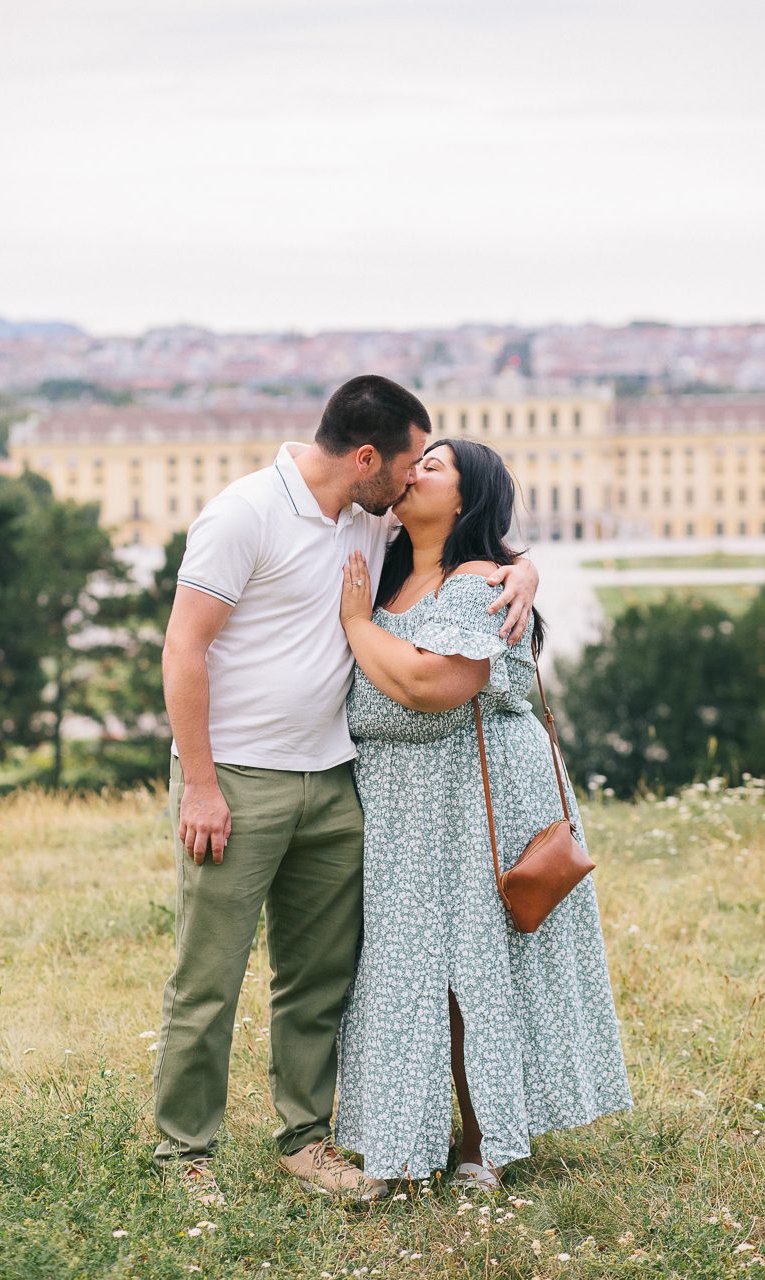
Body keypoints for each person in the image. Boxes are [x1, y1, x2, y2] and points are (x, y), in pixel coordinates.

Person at [152, 377, 540, 1203]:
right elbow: (183, 650)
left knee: (318, 982)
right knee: (208, 979)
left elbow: (467, 542)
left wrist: (524, 569)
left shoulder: (366, 516)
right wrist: (199, 785)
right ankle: (184, 1155)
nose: (407, 485)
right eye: (404, 466)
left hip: (335, 781)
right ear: (366, 458)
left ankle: (304, 1140)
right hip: (238, 781)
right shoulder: (243, 513)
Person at [334, 438, 632, 1186]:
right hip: (404, 799)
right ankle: (406, 1139)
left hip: (473, 794)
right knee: (402, 972)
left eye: (432, 468)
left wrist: (354, 627)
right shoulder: (394, 565)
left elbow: (433, 687)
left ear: (466, 500)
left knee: (474, 971)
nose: (412, 473)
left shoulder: (477, 583)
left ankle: (482, 1145)